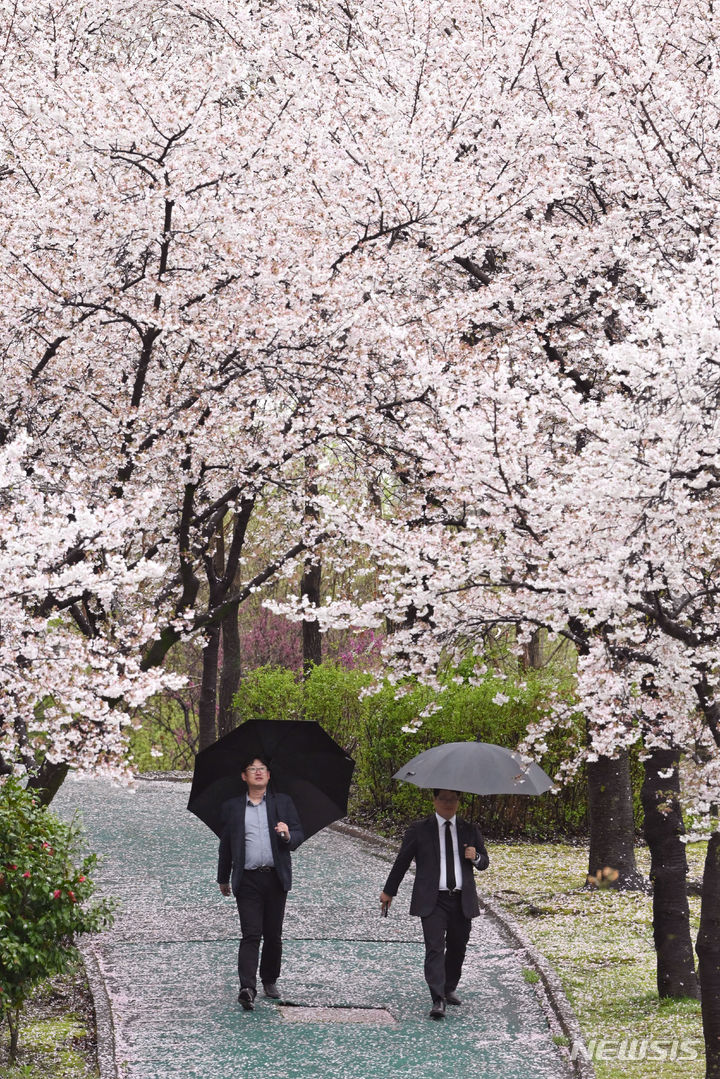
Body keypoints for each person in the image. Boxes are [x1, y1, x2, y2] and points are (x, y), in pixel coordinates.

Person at [379, 789, 489, 1019]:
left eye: (452, 799)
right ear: (434, 801)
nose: (448, 804)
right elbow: (402, 861)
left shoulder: (469, 829)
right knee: (435, 947)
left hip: (461, 899)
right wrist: (389, 891)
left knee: (458, 947)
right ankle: (437, 998)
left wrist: (475, 856)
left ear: (458, 802)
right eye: (443, 799)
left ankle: (449, 987)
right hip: (433, 899)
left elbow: (484, 862)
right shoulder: (419, 830)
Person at [217, 755, 304, 1010]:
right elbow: (226, 845)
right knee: (251, 934)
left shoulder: (282, 803)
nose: (258, 773)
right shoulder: (234, 807)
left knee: (273, 935)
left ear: (268, 775)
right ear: (244, 776)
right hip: (248, 879)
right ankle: (247, 987)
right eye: (252, 769)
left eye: (262, 769)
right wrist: (223, 877)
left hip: (276, 878)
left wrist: (287, 835)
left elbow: (298, 834)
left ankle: (269, 979)